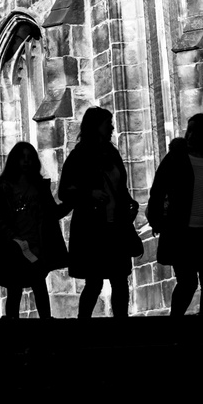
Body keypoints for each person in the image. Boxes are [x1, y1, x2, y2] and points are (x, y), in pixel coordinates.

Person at [146, 112, 203, 316]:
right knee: (187, 282)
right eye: (188, 130)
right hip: (182, 232)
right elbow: (158, 190)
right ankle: (175, 323)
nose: (189, 135)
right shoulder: (176, 158)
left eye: (194, 130)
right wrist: (156, 220)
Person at [58, 106, 141, 318]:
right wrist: (89, 193)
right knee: (94, 281)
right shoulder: (80, 155)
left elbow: (119, 187)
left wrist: (129, 202)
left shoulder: (112, 153)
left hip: (116, 225)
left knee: (120, 279)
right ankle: (83, 326)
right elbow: (64, 191)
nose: (112, 127)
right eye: (108, 123)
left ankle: (121, 323)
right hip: (93, 227)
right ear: (96, 126)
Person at [0, 141, 70, 318]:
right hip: (14, 246)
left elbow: (52, 213)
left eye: (30, 158)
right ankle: (12, 327)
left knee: (39, 283)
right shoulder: (3, 188)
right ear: (15, 160)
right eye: (22, 158)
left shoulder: (39, 187)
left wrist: (73, 202)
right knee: (14, 288)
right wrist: (14, 238)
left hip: (36, 244)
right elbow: (0, 218)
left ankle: (46, 322)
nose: (26, 161)